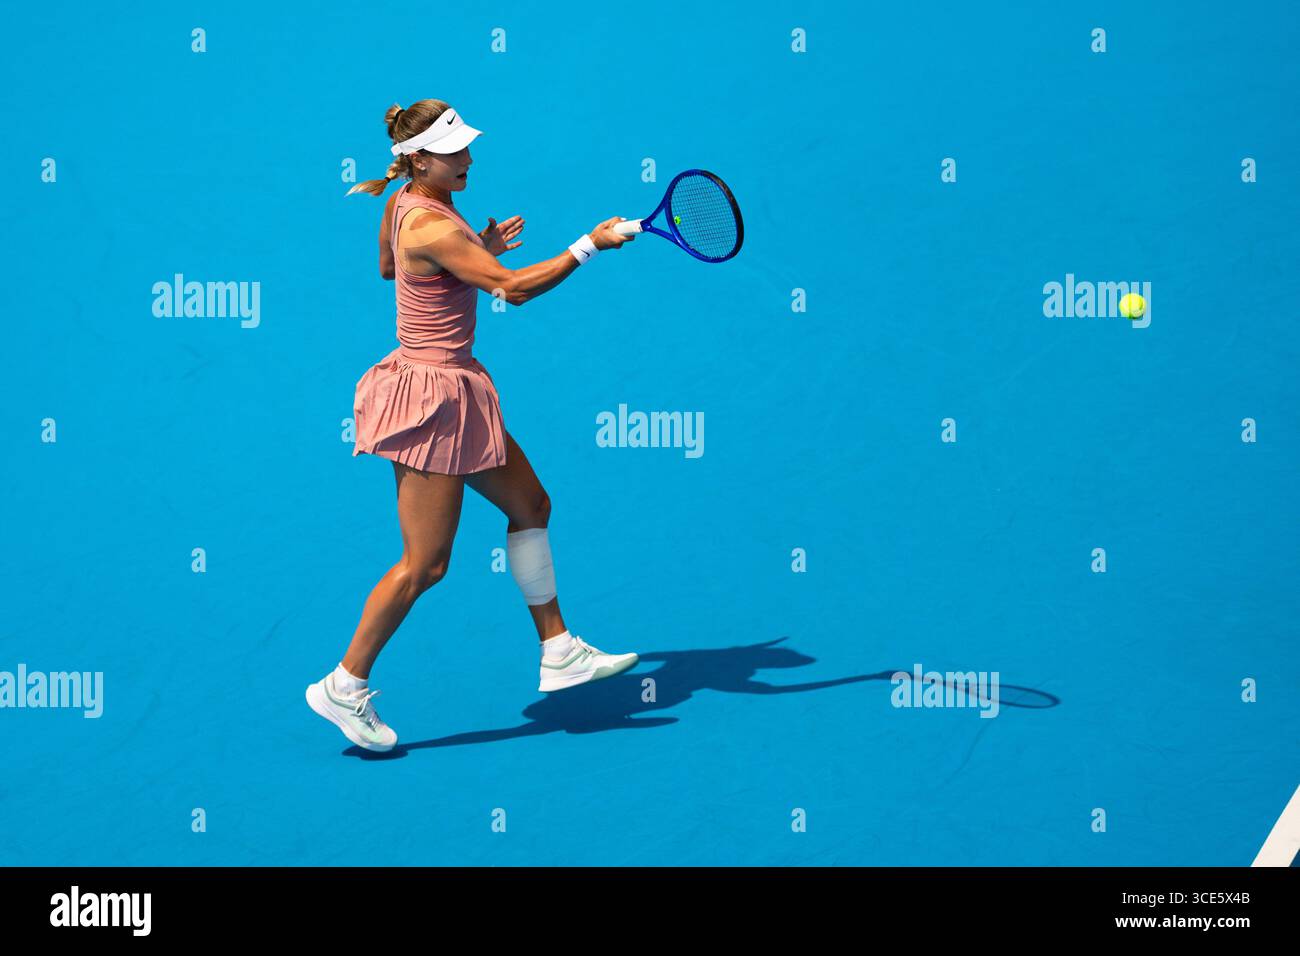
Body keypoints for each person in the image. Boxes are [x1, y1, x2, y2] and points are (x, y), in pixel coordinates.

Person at [306, 99, 639, 753]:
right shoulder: (430, 224)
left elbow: (388, 267)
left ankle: (558, 648)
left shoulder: (403, 201)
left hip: (451, 389)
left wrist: (470, 251)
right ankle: (343, 684)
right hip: (431, 404)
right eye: (455, 151)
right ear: (420, 158)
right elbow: (512, 290)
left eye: (465, 148)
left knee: (530, 503)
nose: (468, 159)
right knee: (425, 566)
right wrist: (587, 245)